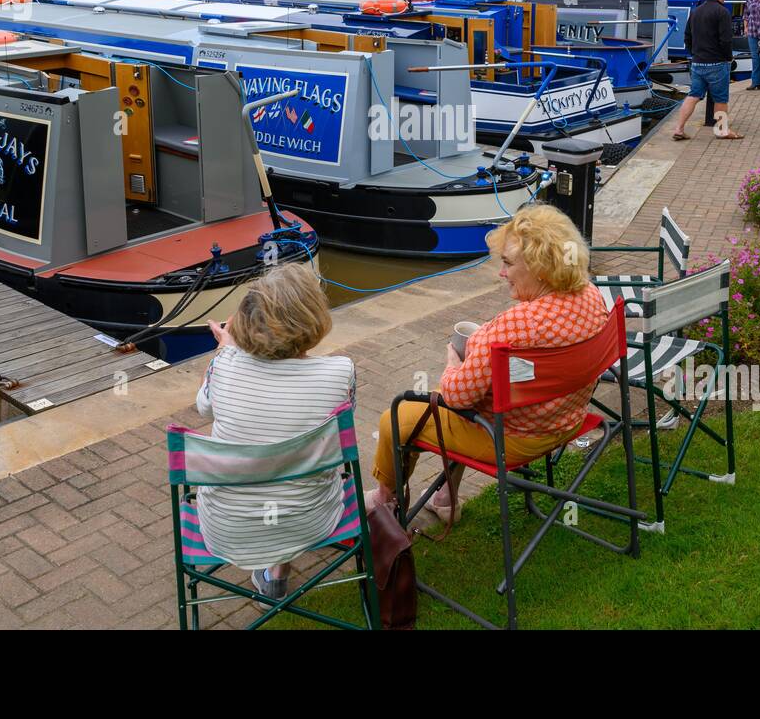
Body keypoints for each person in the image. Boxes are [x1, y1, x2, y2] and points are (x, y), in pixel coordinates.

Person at [367, 205, 608, 524]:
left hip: (512, 437)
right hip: (566, 417)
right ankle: (446, 497)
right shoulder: (591, 295)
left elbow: (457, 398)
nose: (501, 273)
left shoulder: (515, 326)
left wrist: (454, 363)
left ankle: (386, 499)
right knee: (471, 399)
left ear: (539, 268)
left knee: (397, 417)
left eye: (508, 263)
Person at [194, 265, 353, 601]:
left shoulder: (224, 366)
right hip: (311, 520)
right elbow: (341, 425)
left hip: (227, 528)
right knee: (293, 467)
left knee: (269, 463)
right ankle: (277, 569)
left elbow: (203, 408)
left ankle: (274, 571)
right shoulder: (340, 373)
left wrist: (227, 350)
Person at [669, 0, 742, 140]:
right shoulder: (722, 12)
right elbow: (726, 40)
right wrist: (728, 57)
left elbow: (687, 36)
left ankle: (679, 128)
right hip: (717, 62)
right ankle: (722, 130)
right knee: (721, 98)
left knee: (693, 95)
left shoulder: (696, 11)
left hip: (697, 61)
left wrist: (693, 52)